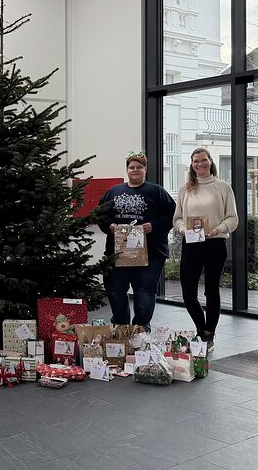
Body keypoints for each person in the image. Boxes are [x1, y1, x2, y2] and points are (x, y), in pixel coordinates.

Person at [98, 152, 176, 329]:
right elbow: (100, 214)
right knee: (115, 290)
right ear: (127, 170)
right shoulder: (113, 192)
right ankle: (121, 327)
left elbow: (172, 215)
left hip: (151, 254)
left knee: (145, 292)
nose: (135, 170)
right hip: (117, 253)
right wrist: (110, 225)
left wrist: (154, 226)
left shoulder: (157, 192)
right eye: (132, 167)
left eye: (139, 167)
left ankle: (140, 329)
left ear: (145, 169)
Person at [173, 148, 238, 353]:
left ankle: (209, 334)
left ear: (210, 161)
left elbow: (233, 219)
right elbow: (177, 218)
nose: (200, 164)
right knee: (188, 293)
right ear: (191, 164)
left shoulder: (223, 187)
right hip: (191, 244)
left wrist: (218, 229)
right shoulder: (185, 189)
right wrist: (183, 230)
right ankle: (201, 329)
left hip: (215, 244)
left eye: (203, 160)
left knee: (211, 291)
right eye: (195, 161)